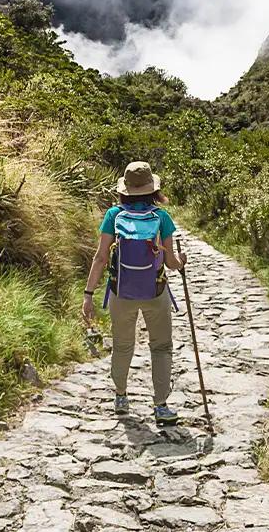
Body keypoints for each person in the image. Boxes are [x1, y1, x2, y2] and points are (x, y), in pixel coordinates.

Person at [82, 160, 187, 423]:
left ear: (125, 189)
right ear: (152, 189)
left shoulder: (113, 216)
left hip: (122, 292)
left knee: (123, 345)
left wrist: (88, 294)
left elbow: (100, 258)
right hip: (155, 292)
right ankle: (161, 406)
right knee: (161, 347)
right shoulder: (161, 217)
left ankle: (120, 397)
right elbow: (171, 263)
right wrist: (181, 261)